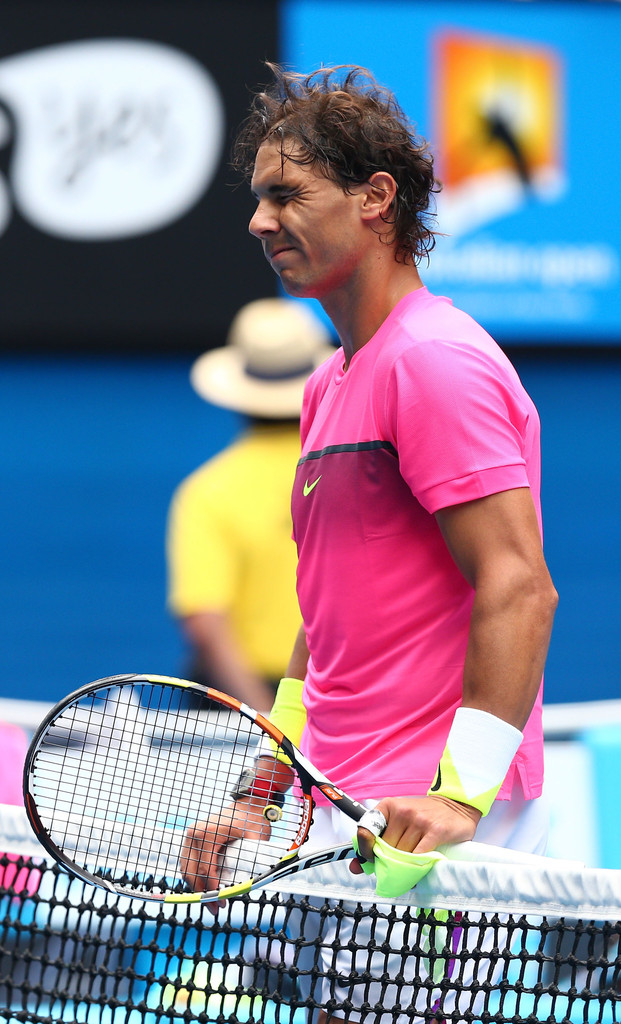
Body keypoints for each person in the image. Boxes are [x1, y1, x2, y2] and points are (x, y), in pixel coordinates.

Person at [180, 63, 558, 1021]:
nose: (259, 222)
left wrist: (460, 797)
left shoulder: (434, 361)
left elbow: (519, 587)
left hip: (425, 834)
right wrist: (266, 792)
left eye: (287, 195)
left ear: (375, 199)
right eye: (258, 197)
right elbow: (327, 624)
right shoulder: (333, 384)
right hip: (344, 817)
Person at [166, 297, 334, 712]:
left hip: (245, 707)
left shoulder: (208, 489)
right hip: (341, 695)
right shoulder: (360, 477)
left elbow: (205, 622)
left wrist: (269, 727)